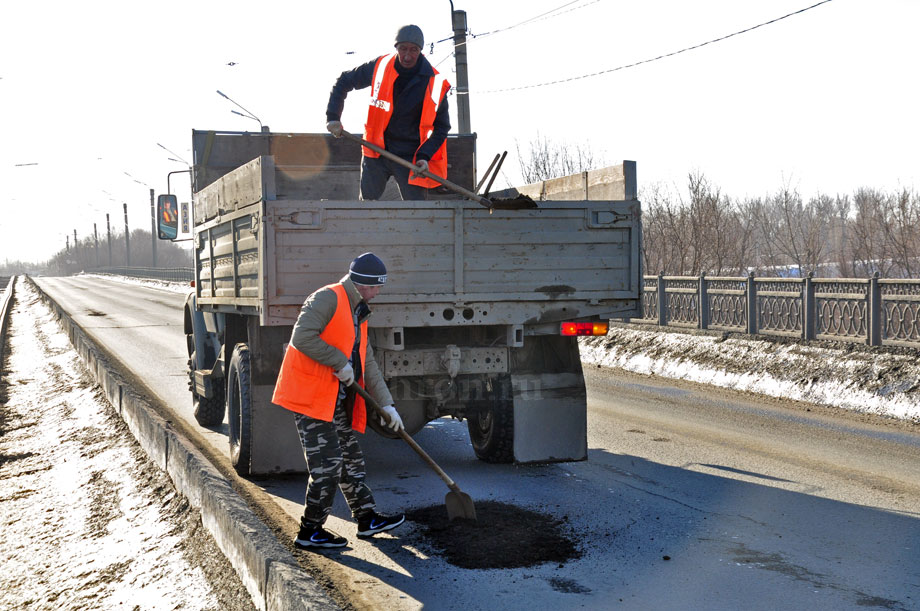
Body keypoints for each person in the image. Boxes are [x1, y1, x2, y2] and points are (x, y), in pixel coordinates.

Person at [272, 252, 406, 548]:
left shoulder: (358, 310)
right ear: (363, 284)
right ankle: (310, 531)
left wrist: (387, 404)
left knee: (350, 459)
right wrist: (338, 361)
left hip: (334, 398)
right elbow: (301, 337)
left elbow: (366, 361)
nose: (379, 293)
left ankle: (366, 518)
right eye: (377, 287)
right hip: (311, 396)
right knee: (327, 465)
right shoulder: (327, 298)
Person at [326, 24, 451, 201]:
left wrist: (424, 157)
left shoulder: (435, 83)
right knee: (366, 210)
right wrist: (333, 117)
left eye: (413, 50)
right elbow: (344, 81)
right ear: (396, 48)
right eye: (403, 49)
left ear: (421, 51)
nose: (407, 56)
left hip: (411, 158)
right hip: (376, 151)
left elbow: (441, 128)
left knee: (417, 214)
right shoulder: (380, 66)